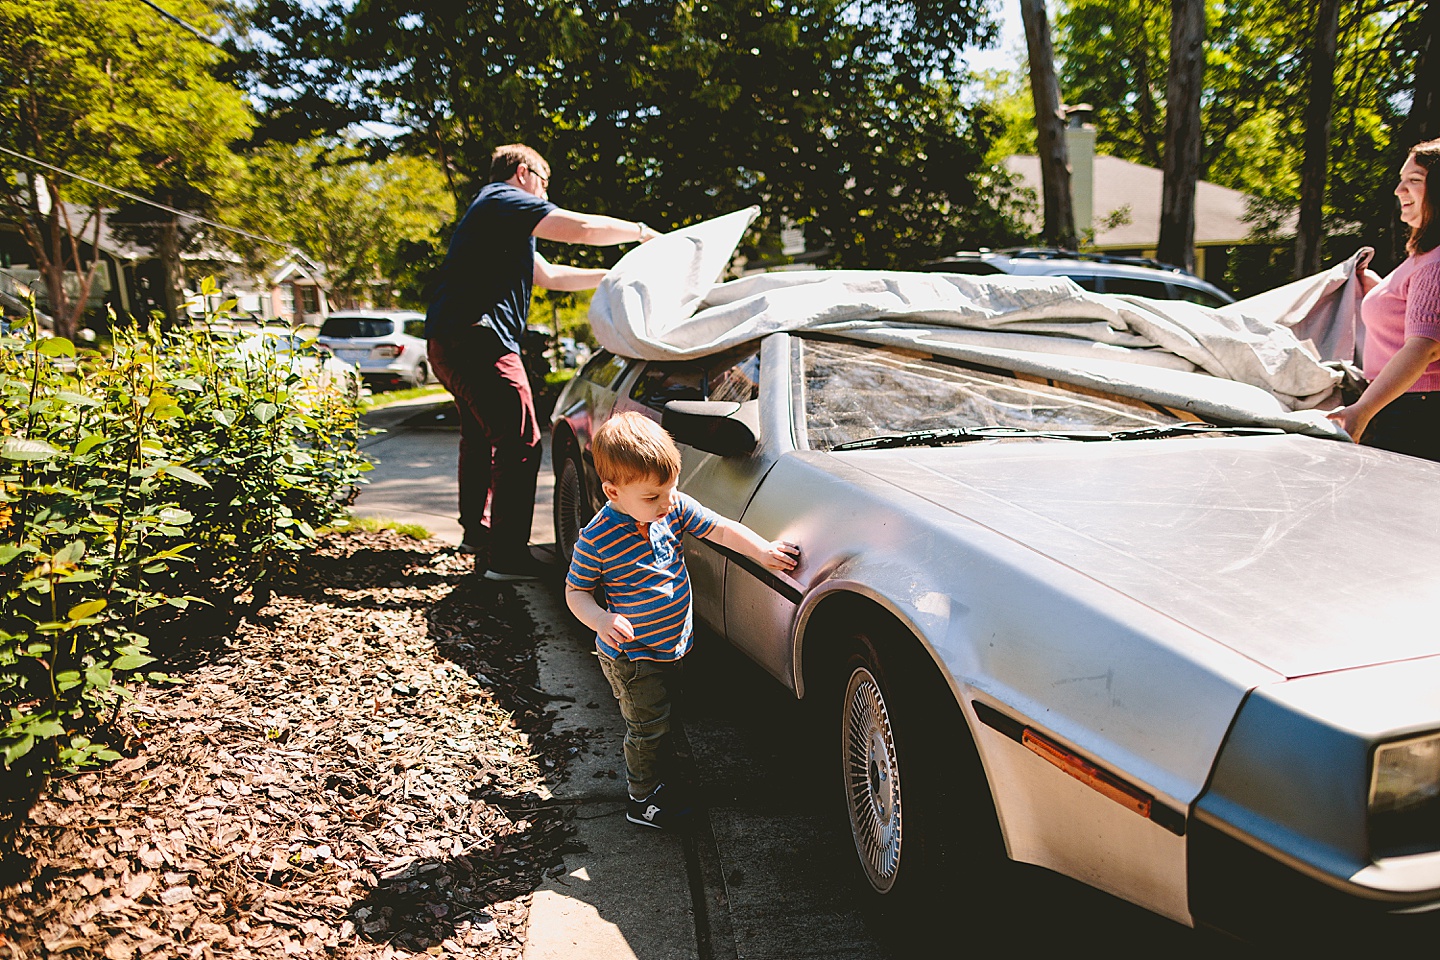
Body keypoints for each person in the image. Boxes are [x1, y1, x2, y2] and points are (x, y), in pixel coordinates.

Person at [426, 143, 662, 580]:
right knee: (520, 442)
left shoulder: (494, 220)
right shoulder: (502, 199)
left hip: (449, 342)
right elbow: (581, 228)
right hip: (481, 341)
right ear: (523, 173)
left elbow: (550, 275)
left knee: (481, 439)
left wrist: (614, 276)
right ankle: (507, 558)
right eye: (544, 182)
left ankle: (477, 534)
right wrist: (642, 233)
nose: (544, 192)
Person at [564, 412, 799, 830]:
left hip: (673, 644)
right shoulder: (596, 539)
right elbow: (576, 592)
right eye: (653, 497)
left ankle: (661, 777)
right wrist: (600, 619)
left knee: (666, 717)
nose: (667, 502)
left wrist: (762, 551)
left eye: (670, 490)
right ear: (612, 491)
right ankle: (643, 799)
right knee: (646, 727)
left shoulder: (670, 508)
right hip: (631, 655)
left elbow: (721, 529)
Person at [1327, 138, 1440, 461]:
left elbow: (1426, 345)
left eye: (1414, 181)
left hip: (1419, 413)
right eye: (1401, 180)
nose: (1399, 190)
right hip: (1406, 406)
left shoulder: (1435, 263)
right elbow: (1413, 310)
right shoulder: (1423, 258)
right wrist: (1373, 286)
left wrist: (1362, 410)